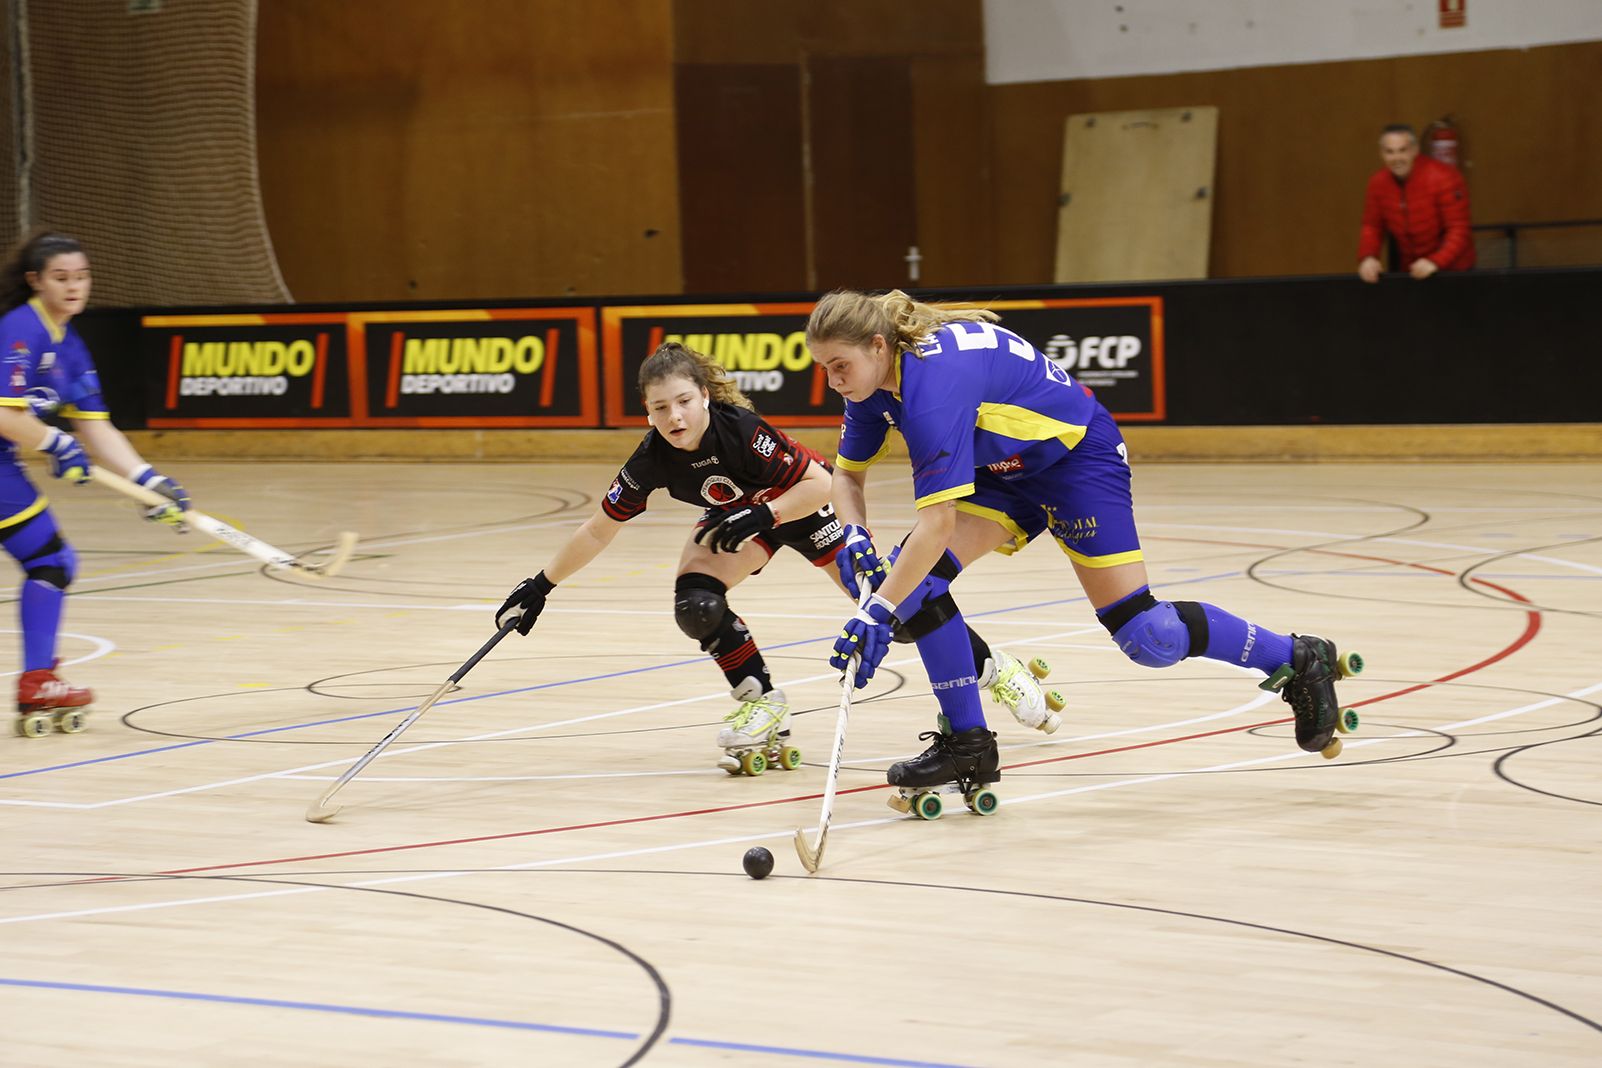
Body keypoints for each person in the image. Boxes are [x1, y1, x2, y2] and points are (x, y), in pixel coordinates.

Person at [807, 290, 1363, 801]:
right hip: (1002, 471)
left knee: (1149, 636)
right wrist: (855, 533)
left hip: (1075, 459)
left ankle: (1297, 657)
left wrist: (877, 609)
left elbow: (937, 525)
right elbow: (846, 477)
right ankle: (968, 744)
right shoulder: (872, 386)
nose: (833, 381)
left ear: (878, 345)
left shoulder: (933, 386)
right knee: (916, 589)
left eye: (840, 366)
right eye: (824, 369)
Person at [494, 340, 1060, 774]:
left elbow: (822, 484)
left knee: (901, 616)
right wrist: (541, 585)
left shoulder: (740, 430)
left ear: (704, 396)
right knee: (696, 603)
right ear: (647, 412)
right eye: (661, 408)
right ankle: (761, 701)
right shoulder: (651, 460)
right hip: (744, 520)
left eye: (684, 401)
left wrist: (764, 514)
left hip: (805, 509)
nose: (675, 417)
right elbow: (598, 530)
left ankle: (993, 667)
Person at [0, 231, 192, 736]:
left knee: (51, 562)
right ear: (35, 281)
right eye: (61, 277)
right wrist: (54, 442)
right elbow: (5, 414)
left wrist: (147, 480)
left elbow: (95, 427)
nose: (73, 287)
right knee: (49, 561)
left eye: (81, 277)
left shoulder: (72, 347)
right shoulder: (20, 330)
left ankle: (39, 681)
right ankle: (38, 680)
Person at [1357, 123, 1474, 283]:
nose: (1397, 158)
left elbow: (1458, 228)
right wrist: (1368, 257)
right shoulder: (1377, 183)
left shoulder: (1445, 177)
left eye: (1403, 150)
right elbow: (1372, 226)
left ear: (1415, 150)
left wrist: (1436, 261)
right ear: (1381, 154)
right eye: (1390, 152)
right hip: (1412, 271)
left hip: (1455, 272)